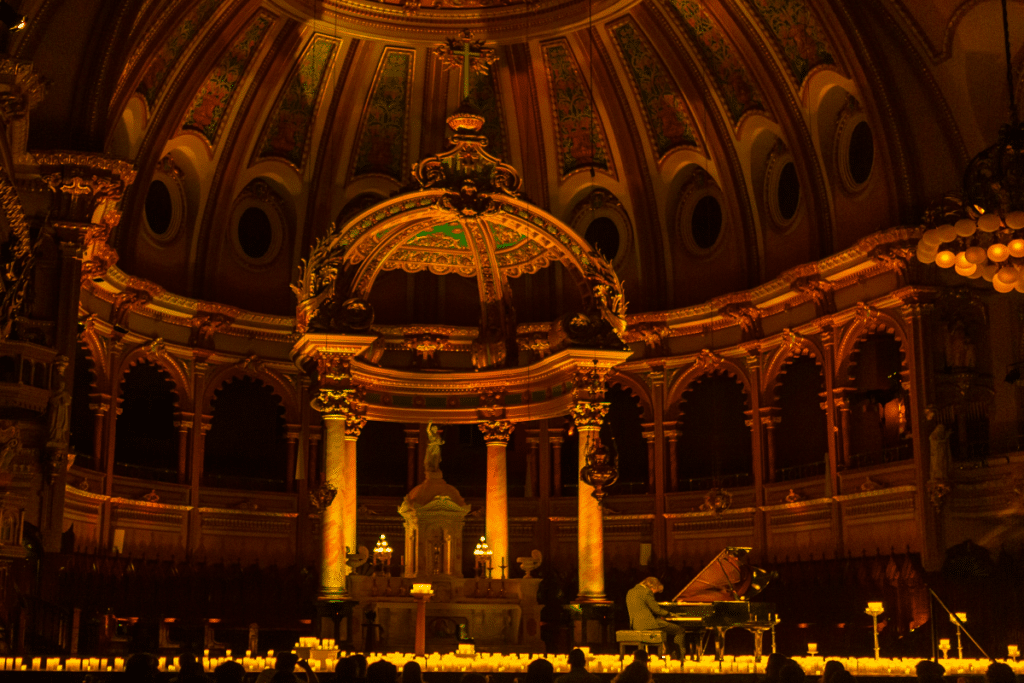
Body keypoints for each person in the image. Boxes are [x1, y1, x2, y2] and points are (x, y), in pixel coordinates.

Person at [625, 576, 684, 660]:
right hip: (648, 624)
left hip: (635, 625)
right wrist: (672, 614)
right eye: (655, 591)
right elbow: (657, 610)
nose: (654, 593)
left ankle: (667, 652)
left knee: (665, 629)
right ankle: (679, 657)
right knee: (679, 630)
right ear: (652, 587)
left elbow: (642, 607)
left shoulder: (630, 591)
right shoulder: (646, 592)